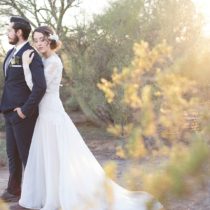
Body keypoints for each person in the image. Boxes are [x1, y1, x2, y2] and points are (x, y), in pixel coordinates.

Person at [19, 26, 163, 210]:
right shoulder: (43, 60)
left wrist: (25, 66)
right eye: (36, 40)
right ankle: (51, 196)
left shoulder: (54, 62)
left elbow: (39, 88)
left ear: (50, 40)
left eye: (41, 39)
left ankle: (57, 199)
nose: (38, 43)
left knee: (57, 156)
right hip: (45, 114)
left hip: (53, 115)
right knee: (50, 156)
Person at [0, 17, 46, 202]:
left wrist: (25, 110)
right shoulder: (11, 52)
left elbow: (40, 86)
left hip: (23, 115)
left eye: (10, 30)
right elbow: (11, 83)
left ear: (19, 32)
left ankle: (34, 196)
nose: (7, 33)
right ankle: (14, 190)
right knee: (13, 155)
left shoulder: (31, 54)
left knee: (28, 156)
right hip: (9, 113)